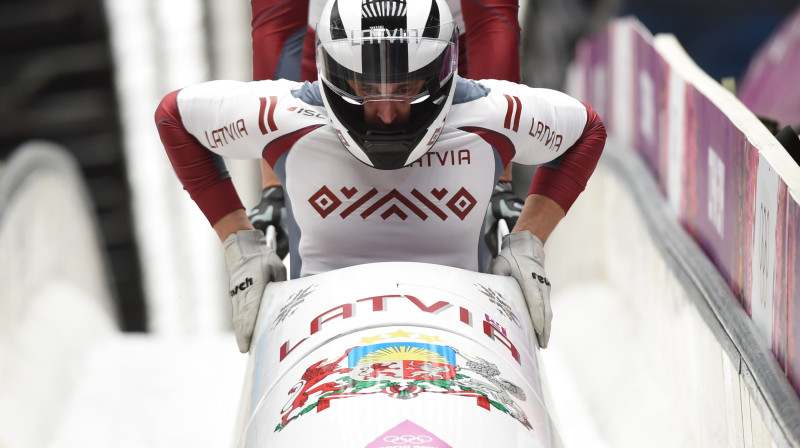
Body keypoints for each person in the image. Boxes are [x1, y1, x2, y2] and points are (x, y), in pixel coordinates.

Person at [155, 0, 606, 354]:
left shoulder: (485, 113)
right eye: (368, 89)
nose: (388, 115)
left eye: (407, 88)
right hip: (321, 340)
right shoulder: (292, 115)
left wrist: (526, 234)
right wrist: (243, 242)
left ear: (440, 73)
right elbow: (175, 117)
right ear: (335, 75)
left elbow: (586, 128)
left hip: (460, 339)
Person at [248, 0, 524, 260]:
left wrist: (498, 178)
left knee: (464, 232)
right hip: (340, 65)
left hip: (438, 64)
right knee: (321, 237)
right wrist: (275, 184)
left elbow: (493, 20)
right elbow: (277, 26)